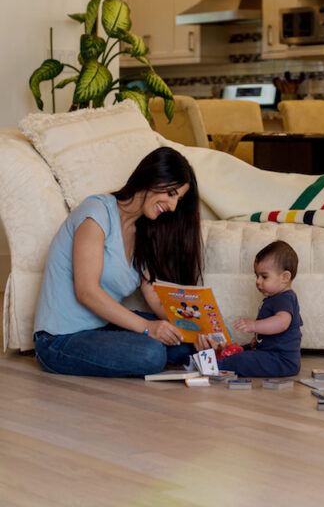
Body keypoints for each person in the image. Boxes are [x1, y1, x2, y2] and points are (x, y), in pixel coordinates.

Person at [33, 146, 203, 377]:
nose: (173, 207)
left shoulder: (143, 232)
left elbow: (155, 298)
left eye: (178, 199)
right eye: (171, 193)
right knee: (151, 354)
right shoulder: (97, 213)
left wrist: (199, 330)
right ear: (154, 176)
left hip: (101, 328)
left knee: (185, 342)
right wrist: (148, 328)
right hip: (59, 339)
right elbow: (86, 291)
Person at [199, 240, 303, 378]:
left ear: (285, 277)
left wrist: (254, 325)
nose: (258, 281)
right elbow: (273, 332)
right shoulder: (274, 298)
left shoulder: (285, 298)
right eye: (257, 276)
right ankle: (219, 358)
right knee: (240, 349)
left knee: (243, 359)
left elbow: (282, 322)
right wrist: (259, 340)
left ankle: (214, 366)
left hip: (282, 361)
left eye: (264, 277)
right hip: (271, 354)